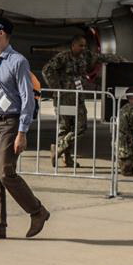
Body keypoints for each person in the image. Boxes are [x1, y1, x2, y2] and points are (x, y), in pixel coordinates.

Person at [0, 16, 49, 239]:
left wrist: (22, 132)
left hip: (10, 123)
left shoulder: (18, 61)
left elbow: (27, 98)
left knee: (5, 173)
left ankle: (37, 211)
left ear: (2, 33)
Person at [41, 31, 108, 167]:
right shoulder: (63, 57)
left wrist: (120, 59)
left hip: (78, 98)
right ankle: (67, 158)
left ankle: (59, 148)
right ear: (73, 45)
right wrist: (57, 87)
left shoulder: (85, 56)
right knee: (64, 127)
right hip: (64, 98)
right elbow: (47, 70)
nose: (83, 48)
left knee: (80, 128)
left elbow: (101, 57)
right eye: (80, 45)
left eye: (84, 46)